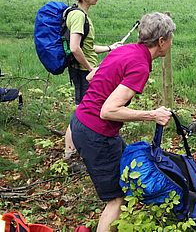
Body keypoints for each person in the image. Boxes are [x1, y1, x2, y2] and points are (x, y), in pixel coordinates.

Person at [69, 12, 175, 232]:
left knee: (127, 175)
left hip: (79, 122)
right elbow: (108, 111)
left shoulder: (126, 50)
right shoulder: (140, 66)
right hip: (95, 133)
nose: (171, 42)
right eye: (171, 38)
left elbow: (92, 77)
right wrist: (152, 114)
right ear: (162, 41)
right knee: (117, 199)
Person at [64, 0, 122, 160]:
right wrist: (90, 69)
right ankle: (70, 153)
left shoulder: (79, 14)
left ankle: (78, 150)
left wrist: (110, 48)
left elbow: (86, 47)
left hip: (83, 70)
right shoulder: (79, 16)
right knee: (82, 112)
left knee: (85, 110)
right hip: (83, 72)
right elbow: (74, 47)